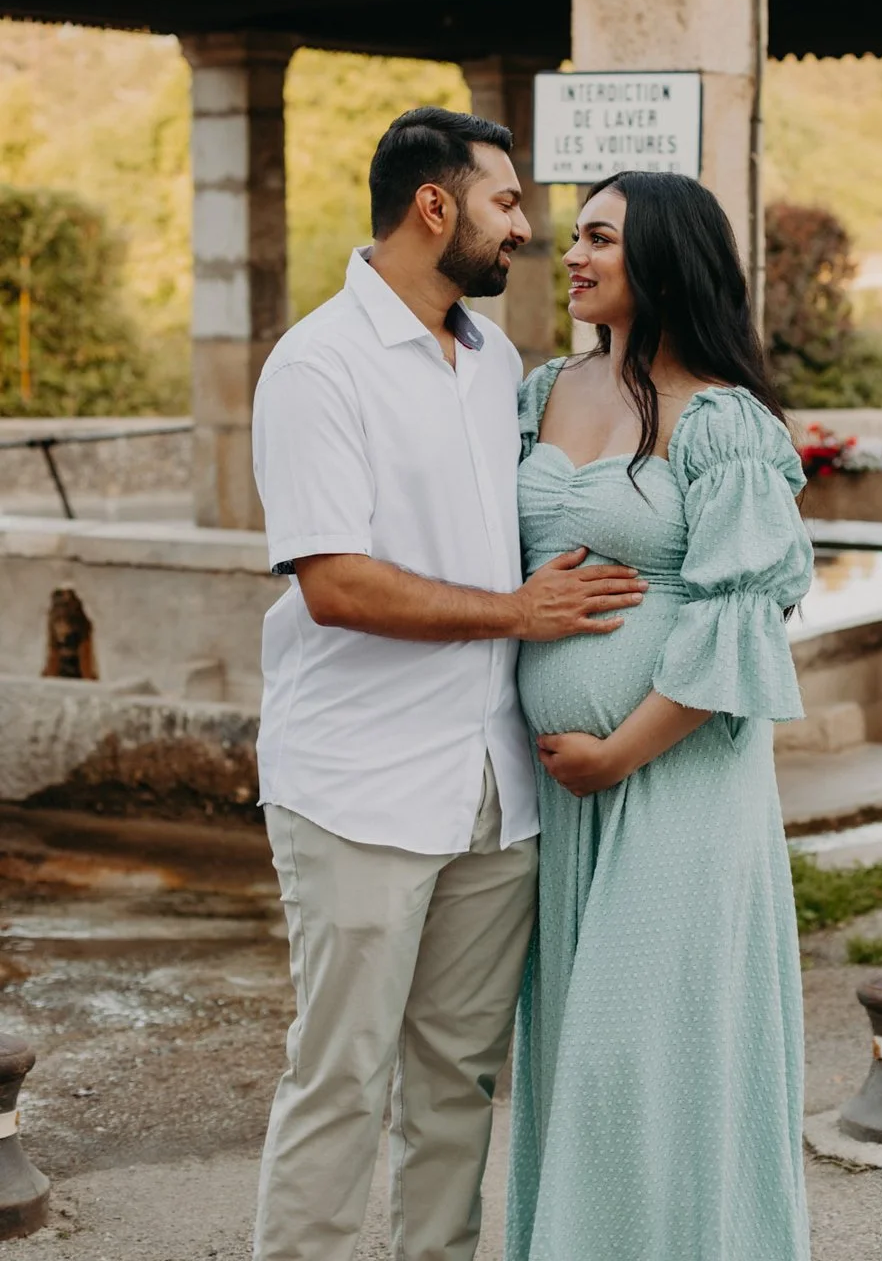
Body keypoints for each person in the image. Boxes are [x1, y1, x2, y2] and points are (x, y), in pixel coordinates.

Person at [250, 107, 648, 1261]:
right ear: (437, 206)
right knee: (340, 1079)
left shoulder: (493, 368)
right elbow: (335, 583)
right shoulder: (317, 363)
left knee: (459, 1086)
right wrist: (520, 614)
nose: (525, 230)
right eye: (507, 204)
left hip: (496, 789)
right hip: (359, 785)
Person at [505, 170, 814, 1261]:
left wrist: (618, 753)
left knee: (636, 1059)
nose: (574, 254)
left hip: (674, 782)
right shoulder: (540, 387)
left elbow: (745, 620)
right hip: (569, 794)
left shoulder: (719, 420)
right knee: (577, 1059)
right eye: (574, 234)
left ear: (666, 259)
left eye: (601, 238)